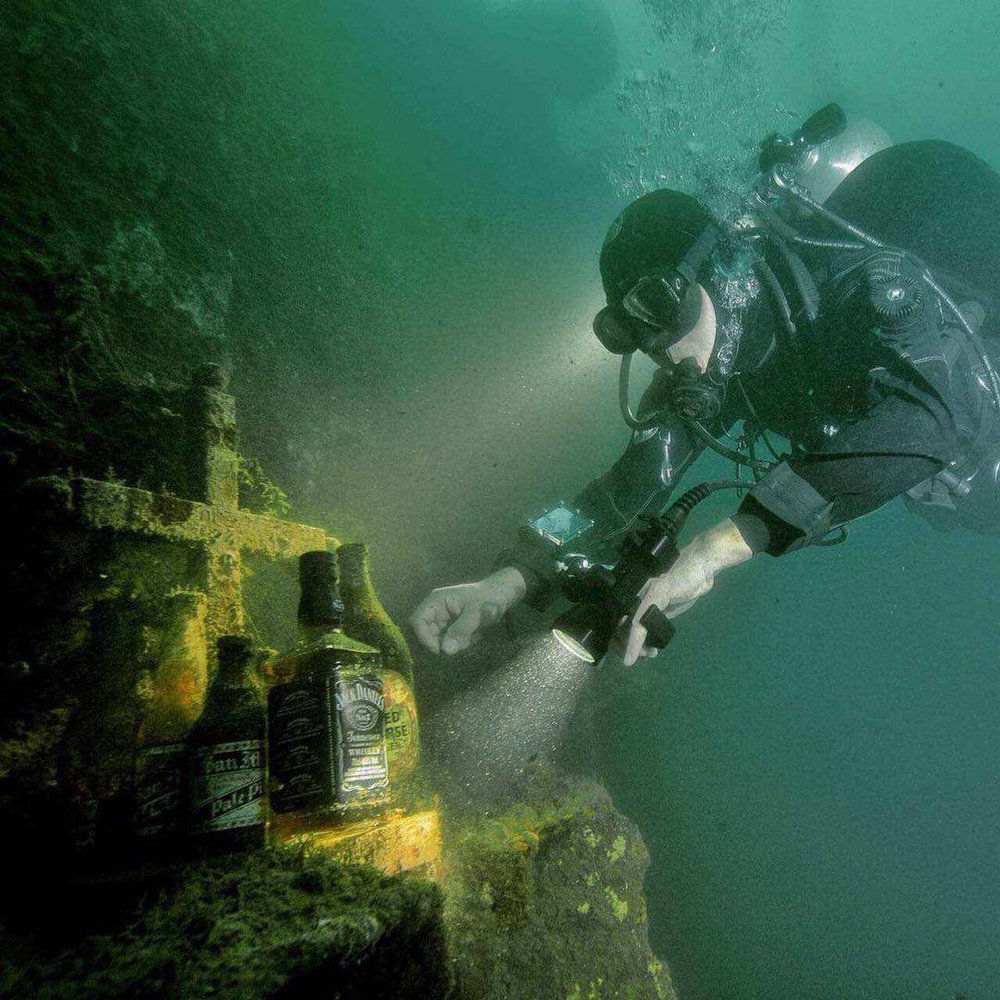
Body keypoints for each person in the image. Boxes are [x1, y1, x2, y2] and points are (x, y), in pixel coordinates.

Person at [410, 107, 1000, 667]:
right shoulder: (710, 374)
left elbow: (941, 417)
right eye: (627, 330)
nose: (659, 347)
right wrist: (509, 578)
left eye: (662, 305)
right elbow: (623, 490)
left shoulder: (859, 283)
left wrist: (713, 551)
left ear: (714, 269)